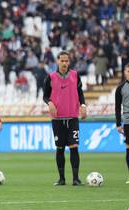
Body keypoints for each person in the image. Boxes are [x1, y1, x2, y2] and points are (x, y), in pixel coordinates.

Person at [43, 51, 87, 186]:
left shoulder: (75, 75)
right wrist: (49, 102)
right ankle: (61, 179)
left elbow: (80, 92)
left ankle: (76, 178)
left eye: (66, 61)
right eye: (62, 61)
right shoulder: (50, 77)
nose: (64, 63)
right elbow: (45, 96)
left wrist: (83, 105)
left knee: (74, 147)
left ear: (69, 62)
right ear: (58, 61)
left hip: (72, 117)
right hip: (57, 119)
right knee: (60, 148)